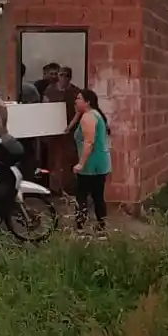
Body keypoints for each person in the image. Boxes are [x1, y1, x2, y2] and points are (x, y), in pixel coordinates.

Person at [72, 89, 112, 236]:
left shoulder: (88, 117)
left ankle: (80, 228)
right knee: (97, 196)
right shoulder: (94, 114)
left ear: (87, 102)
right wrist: (76, 115)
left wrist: (81, 164)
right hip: (100, 163)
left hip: (91, 164)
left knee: (81, 195)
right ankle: (101, 227)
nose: (76, 101)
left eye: (79, 98)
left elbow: (89, 142)